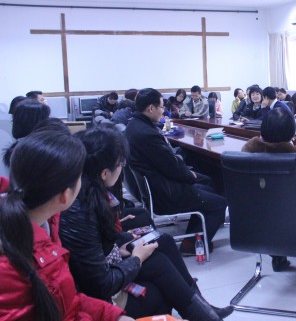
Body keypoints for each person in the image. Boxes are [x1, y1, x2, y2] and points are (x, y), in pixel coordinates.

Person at [60, 126, 233, 321]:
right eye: (120, 164)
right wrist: (136, 258)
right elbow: (100, 283)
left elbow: (96, 245)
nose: (122, 167)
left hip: (104, 267)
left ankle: (204, 309)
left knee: (164, 241)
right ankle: (204, 314)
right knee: (161, 278)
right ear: (105, 173)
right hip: (98, 293)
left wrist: (119, 243)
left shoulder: (90, 192)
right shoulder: (81, 210)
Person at [0, 131, 132, 321]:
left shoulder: (47, 224)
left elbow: (68, 301)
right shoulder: (10, 267)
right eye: (80, 176)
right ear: (65, 196)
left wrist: (114, 316)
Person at [125, 88, 227, 253]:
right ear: (150, 108)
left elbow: (169, 163)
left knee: (208, 186)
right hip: (165, 194)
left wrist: (188, 173)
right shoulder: (146, 134)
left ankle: (196, 234)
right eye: (161, 107)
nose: (163, 110)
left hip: (157, 187)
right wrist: (190, 175)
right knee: (219, 202)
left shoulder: (134, 126)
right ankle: (192, 245)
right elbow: (171, 167)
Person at [242, 108, 296, 272]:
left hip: (258, 219)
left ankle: (278, 257)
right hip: (295, 221)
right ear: (291, 133)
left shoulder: (248, 152)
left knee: (270, 209)